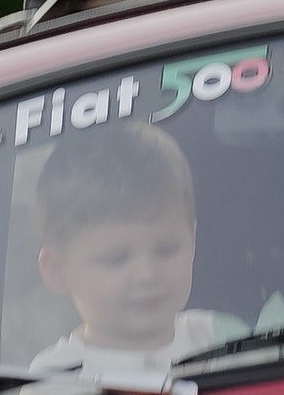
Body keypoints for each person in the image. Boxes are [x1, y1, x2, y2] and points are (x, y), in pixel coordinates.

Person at [33, 123, 242, 364]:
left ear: (193, 240)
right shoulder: (52, 381)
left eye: (166, 250)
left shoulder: (225, 339)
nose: (147, 274)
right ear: (57, 270)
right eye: (116, 258)